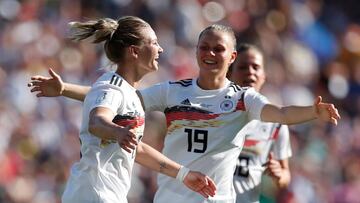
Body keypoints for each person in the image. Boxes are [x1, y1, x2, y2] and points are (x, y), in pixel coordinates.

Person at [28, 24, 340, 203]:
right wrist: (66, 88)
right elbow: (119, 98)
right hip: (171, 197)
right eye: (204, 47)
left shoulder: (243, 98)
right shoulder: (173, 91)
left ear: (231, 56)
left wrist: (313, 112)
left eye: (218, 49)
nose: (210, 54)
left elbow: (281, 113)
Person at [28, 16, 217, 203]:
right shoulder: (112, 85)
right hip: (95, 193)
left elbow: (138, 148)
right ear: (134, 51)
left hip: (102, 194)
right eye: (153, 43)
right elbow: (97, 121)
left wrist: (183, 174)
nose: (160, 49)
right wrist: (117, 132)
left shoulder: (125, 92)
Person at [228, 43, 291, 203]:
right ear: (229, 73)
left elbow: (285, 175)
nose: (250, 71)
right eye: (243, 67)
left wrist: (279, 175)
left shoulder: (275, 123)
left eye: (256, 67)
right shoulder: (211, 113)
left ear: (264, 76)